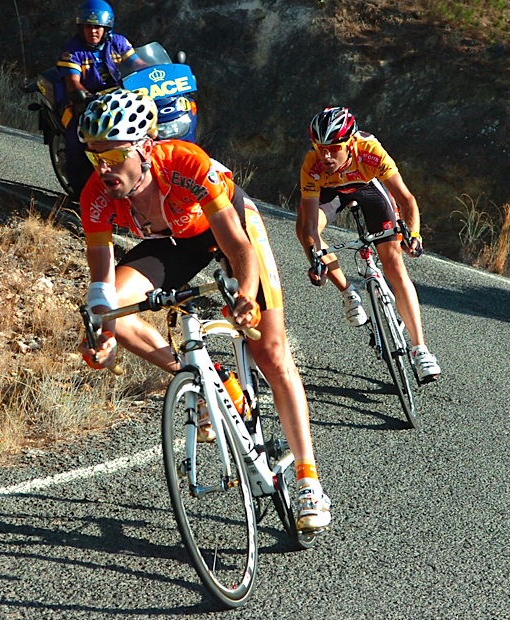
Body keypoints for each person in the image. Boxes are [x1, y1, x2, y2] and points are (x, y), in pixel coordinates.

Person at [77, 89, 331, 534]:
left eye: (114, 155)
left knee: (271, 353)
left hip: (226, 223)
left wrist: (246, 296)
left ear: (145, 148)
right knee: (113, 308)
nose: (104, 168)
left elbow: (237, 247)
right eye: (94, 155)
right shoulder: (96, 193)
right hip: (174, 242)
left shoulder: (186, 163)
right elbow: (100, 285)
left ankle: (309, 479)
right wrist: (104, 333)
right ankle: (200, 376)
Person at [297, 106, 442, 383]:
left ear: (349, 142)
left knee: (394, 264)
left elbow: (406, 199)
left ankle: (420, 349)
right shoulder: (313, 164)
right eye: (320, 147)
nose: (326, 155)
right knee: (305, 230)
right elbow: (309, 225)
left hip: (367, 187)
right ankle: (348, 293)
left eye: (334, 147)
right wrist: (316, 257)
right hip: (330, 194)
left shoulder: (369, 151)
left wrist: (414, 234)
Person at [56, 0, 136, 197]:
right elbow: (73, 82)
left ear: (107, 27)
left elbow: (138, 64)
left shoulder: (119, 43)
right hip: (85, 104)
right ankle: (79, 191)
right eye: (88, 26)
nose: (93, 31)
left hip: (121, 100)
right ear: (81, 27)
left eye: (98, 27)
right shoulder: (73, 50)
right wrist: (85, 97)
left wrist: (155, 72)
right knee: (77, 143)